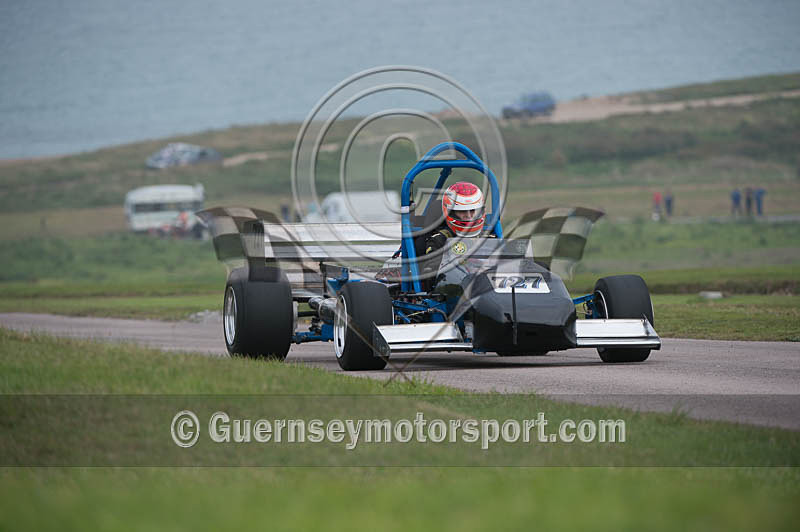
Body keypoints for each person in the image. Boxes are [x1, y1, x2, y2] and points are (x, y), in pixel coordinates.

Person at [423, 181, 486, 256]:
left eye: (472, 210)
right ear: (450, 212)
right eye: (463, 211)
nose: (469, 216)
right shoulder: (439, 240)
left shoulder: (489, 237)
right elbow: (433, 263)